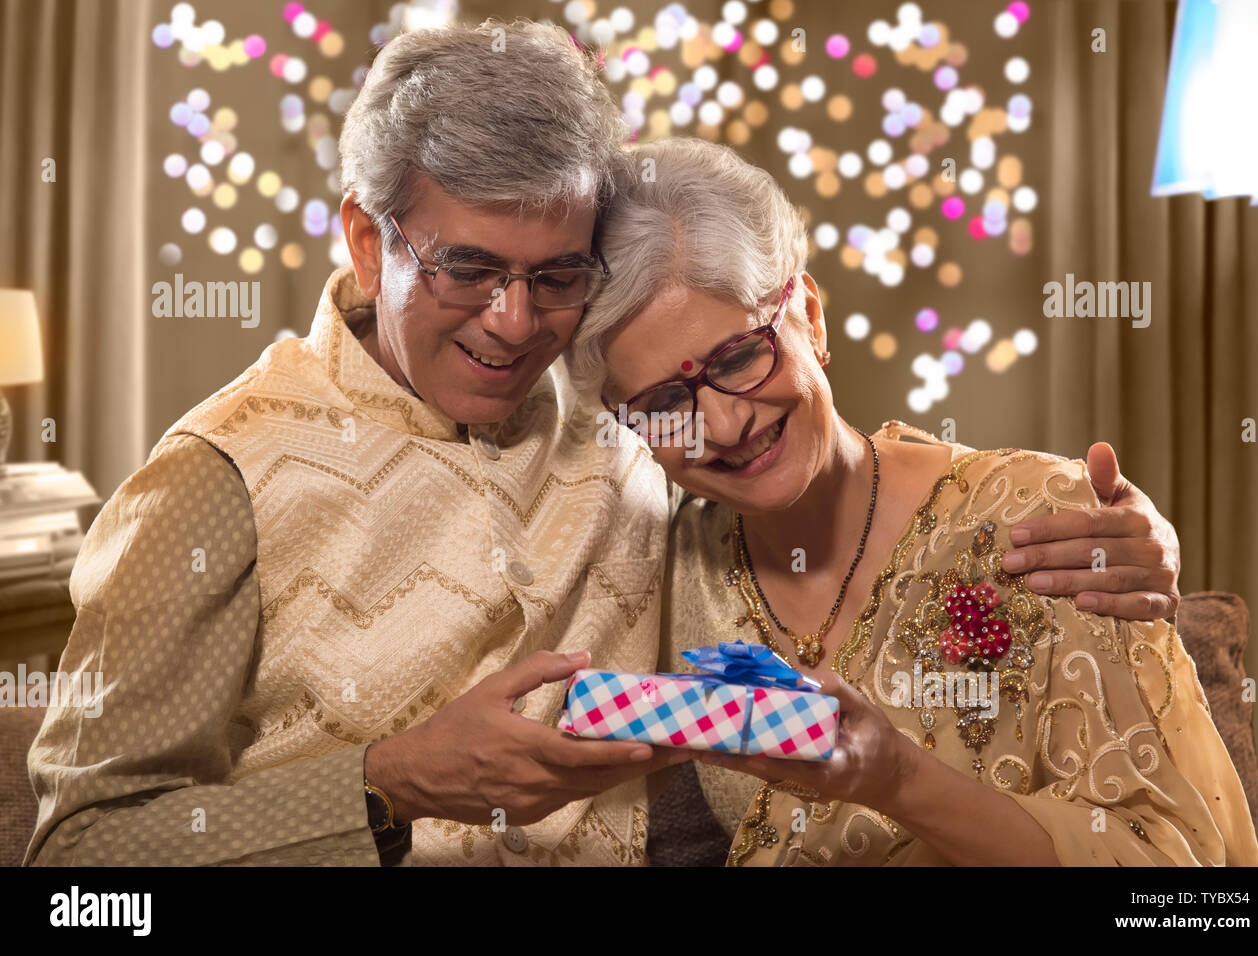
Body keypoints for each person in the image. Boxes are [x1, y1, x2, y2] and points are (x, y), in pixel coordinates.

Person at [26, 23, 1182, 868]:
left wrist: (1134, 542)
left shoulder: (623, 397)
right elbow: (74, 865)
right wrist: (386, 782)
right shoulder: (213, 480)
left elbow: (814, 464)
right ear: (368, 245)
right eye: (467, 268)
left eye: (556, 274)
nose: (514, 324)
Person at [570, 136, 1258, 866]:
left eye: (740, 356)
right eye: (664, 404)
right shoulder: (667, 574)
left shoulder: (1039, 520)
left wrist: (898, 779)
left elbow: (1175, 875)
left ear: (809, 314)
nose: (725, 425)